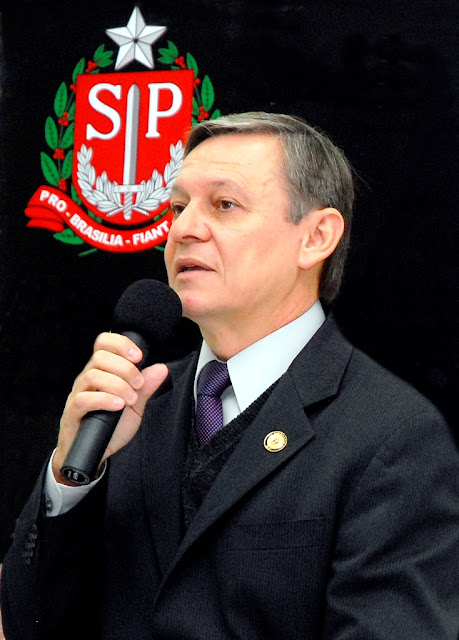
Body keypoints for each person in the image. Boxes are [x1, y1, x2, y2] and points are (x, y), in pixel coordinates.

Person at [1, 112, 458, 640]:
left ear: (316, 237)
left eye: (224, 205)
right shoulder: (131, 406)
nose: (183, 229)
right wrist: (70, 476)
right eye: (177, 208)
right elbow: (25, 623)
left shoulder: (393, 436)